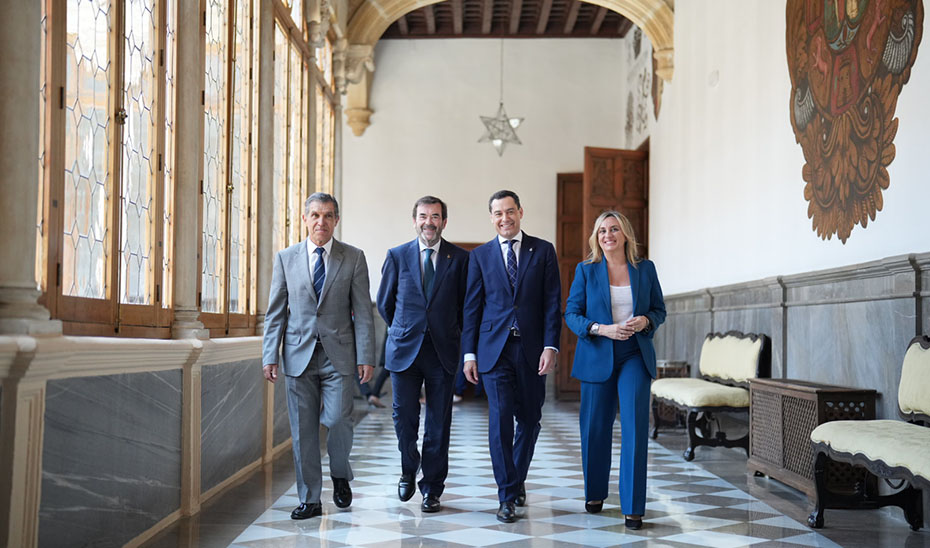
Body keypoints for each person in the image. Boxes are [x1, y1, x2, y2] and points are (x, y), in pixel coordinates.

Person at [261, 192, 375, 520]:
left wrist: (365, 356)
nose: (321, 222)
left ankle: (339, 471)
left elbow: (363, 312)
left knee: (339, 420)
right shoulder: (286, 258)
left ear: (336, 220)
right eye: (315, 215)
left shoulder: (353, 258)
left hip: (338, 356)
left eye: (328, 216)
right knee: (303, 430)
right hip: (297, 355)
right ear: (305, 219)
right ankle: (310, 498)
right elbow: (276, 312)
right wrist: (270, 354)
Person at [461, 190, 561, 523]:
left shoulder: (543, 250)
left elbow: (551, 302)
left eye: (510, 211)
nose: (504, 218)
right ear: (491, 218)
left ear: (520, 212)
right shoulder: (480, 256)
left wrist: (551, 346)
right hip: (494, 351)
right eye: (497, 213)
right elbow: (472, 308)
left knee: (530, 420)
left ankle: (516, 478)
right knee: (500, 419)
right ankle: (506, 494)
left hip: (532, 350)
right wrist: (469, 353)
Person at [563, 210, 666, 530]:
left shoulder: (645, 269)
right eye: (602, 230)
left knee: (635, 428)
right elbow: (571, 313)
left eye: (614, 229)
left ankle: (633, 508)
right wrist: (599, 328)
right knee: (595, 428)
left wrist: (646, 320)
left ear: (625, 235)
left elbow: (659, 310)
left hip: (635, 354)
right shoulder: (586, 270)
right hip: (597, 354)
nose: (608, 235)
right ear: (597, 237)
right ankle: (595, 493)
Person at [376, 195, 469, 513]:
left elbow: (464, 306)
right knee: (404, 418)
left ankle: (432, 488)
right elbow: (385, 303)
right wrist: (406, 329)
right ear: (414, 220)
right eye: (423, 216)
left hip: (443, 351)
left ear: (444, 221)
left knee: (439, 423)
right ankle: (407, 468)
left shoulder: (460, 259)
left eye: (435, 217)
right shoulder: (398, 256)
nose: (429, 222)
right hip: (404, 350)